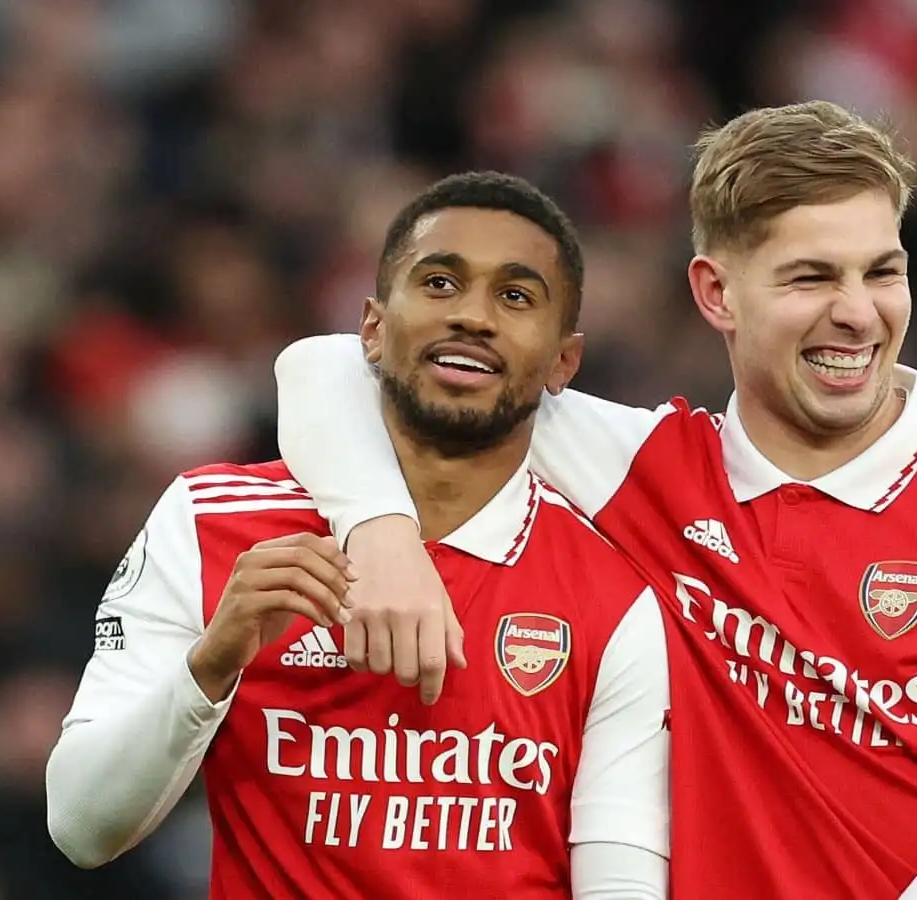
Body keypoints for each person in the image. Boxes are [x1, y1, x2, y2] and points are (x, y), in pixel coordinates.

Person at [275, 101, 917, 898]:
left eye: (882, 272)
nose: (858, 313)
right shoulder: (646, 468)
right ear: (717, 293)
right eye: (811, 278)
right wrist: (381, 539)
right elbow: (329, 366)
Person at [46, 172, 671, 899]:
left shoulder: (617, 588)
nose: (472, 315)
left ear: (566, 361)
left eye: (515, 296)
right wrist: (213, 661)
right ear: (371, 327)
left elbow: (617, 878)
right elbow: (80, 825)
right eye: (439, 283)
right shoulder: (212, 519)